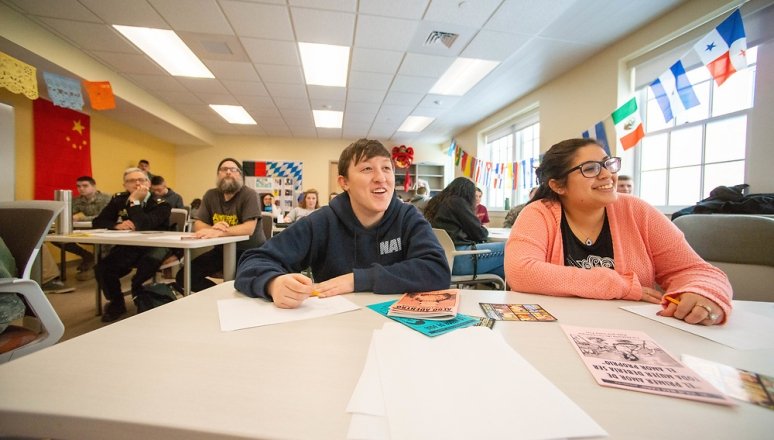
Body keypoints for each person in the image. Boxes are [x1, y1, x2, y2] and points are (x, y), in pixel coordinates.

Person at [504, 138, 732, 326]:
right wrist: (621, 286)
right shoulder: (539, 213)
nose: (607, 175)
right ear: (558, 185)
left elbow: (694, 270)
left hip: (633, 330)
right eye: (591, 169)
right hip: (553, 329)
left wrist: (701, 293)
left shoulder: (637, 211)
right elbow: (521, 271)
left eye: (607, 164)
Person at [235, 138, 450, 308]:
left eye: (386, 168)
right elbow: (252, 262)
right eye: (367, 169)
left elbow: (437, 270)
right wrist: (273, 284)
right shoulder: (322, 222)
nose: (381, 178)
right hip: (336, 330)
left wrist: (357, 280)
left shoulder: (408, 217)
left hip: (397, 330)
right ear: (344, 182)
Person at [93, 168, 171, 322]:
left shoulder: (161, 204)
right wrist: (116, 225)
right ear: (124, 185)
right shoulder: (119, 200)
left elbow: (145, 225)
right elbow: (98, 221)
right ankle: (117, 302)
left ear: (148, 183)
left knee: (144, 269)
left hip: (156, 245)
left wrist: (134, 201)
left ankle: (140, 296)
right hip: (131, 246)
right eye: (131, 181)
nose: (137, 183)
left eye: (141, 180)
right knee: (103, 268)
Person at [177, 158, 262, 293]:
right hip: (221, 251)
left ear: (240, 175)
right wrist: (214, 229)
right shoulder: (210, 195)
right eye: (223, 169)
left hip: (249, 252)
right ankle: (218, 295)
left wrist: (219, 231)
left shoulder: (249, 194)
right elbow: (198, 225)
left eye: (233, 170)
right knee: (184, 276)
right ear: (218, 175)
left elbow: (249, 228)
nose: (228, 172)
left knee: (244, 285)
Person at [423, 177, 505, 279]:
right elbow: (480, 233)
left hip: (444, 260)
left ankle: (495, 289)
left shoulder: (437, 202)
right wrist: (482, 229)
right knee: (509, 247)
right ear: (468, 193)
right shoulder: (457, 202)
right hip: (460, 259)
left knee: (503, 268)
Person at [52, 175, 111, 281]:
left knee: (105, 244)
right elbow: (68, 214)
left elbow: (104, 217)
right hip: (88, 229)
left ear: (94, 186)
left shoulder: (106, 199)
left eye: (85, 186)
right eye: (78, 186)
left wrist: (79, 219)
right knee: (57, 238)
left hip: (105, 229)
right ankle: (87, 256)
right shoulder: (77, 200)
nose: (81, 189)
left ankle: (100, 268)